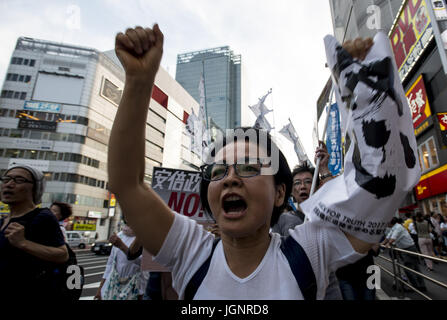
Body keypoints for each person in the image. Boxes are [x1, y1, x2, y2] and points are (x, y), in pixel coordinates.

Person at [108, 24, 383, 300]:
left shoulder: (311, 250)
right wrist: (139, 80)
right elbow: (128, 185)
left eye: (249, 167)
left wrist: (365, 89)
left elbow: (381, 190)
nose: (230, 178)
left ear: (279, 193)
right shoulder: (190, 250)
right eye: (218, 171)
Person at [272, 147, 342, 300]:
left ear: (317, 187)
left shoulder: (325, 216)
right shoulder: (282, 220)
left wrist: (323, 168)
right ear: (291, 191)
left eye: (308, 182)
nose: (302, 186)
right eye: (297, 183)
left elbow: (338, 203)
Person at [0, 164, 68, 299]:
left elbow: (62, 254)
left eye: (19, 180)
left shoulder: (42, 217)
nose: (9, 184)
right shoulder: (3, 221)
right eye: (6, 179)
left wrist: (23, 243)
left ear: (35, 188)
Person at [94, 224, 144, 300]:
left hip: (135, 287)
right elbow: (110, 264)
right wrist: (100, 289)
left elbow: (144, 265)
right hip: (113, 286)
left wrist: (122, 246)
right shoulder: (120, 235)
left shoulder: (144, 237)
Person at [382, 217, 427, 292]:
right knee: (414, 267)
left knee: (409, 268)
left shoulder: (398, 227)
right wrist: (382, 244)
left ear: (390, 222)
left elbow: (392, 238)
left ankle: (416, 286)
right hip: (406, 248)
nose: (386, 224)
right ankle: (421, 286)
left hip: (409, 248)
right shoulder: (393, 228)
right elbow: (388, 237)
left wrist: (387, 245)